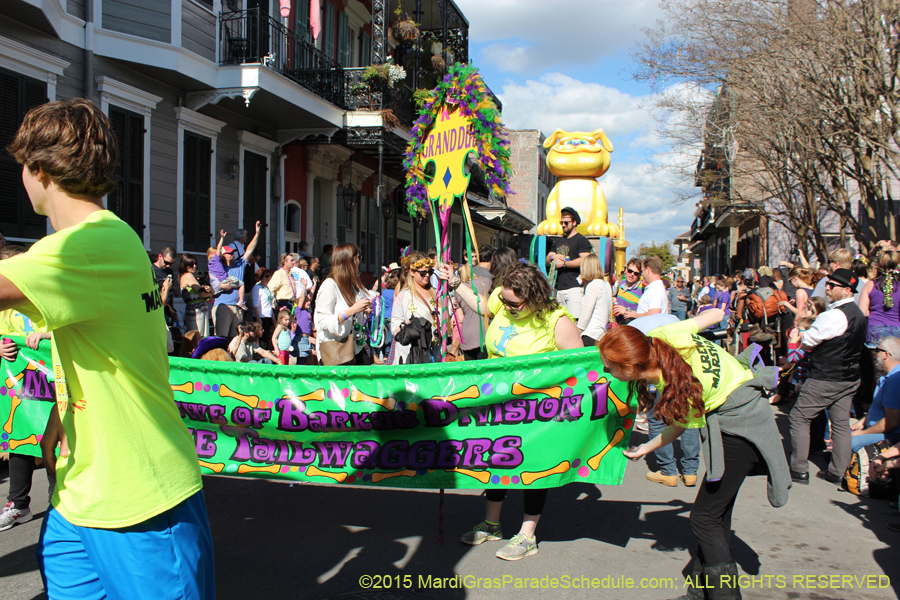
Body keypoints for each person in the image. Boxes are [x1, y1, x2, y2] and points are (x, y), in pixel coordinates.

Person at [2, 98, 213, 597]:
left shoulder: (86, 246)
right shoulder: (110, 240)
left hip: (141, 497)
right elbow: (106, 352)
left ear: (39, 169)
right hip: (82, 496)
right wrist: (60, 421)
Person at [603, 308, 790, 600]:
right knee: (717, 514)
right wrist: (645, 448)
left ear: (630, 369)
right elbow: (716, 312)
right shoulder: (663, 337)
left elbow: (678, 427)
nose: (607, 372)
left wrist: (647, 447)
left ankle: (726, 596)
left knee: (704, 518)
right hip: (743, 409)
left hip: (743, 428)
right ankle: (700, 593)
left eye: (611, 368)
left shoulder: (683, 387)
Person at [443, 261, 583, 560]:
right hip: (497, 405)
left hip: (536, 411)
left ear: (533, 298)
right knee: (497, 460)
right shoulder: (504, 301)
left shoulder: (557, 321)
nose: (506, 306)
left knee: (533, 468)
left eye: (514, 303)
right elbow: (484, 306)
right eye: (504, 300)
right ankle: (492, 524)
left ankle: (527, 534)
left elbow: (579, 368)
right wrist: (456, 283)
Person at [789, 268, 867, 486]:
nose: (827, 287)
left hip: (826, 376)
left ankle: (798, 469)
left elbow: (809, 341)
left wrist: (799, 337)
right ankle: (837, 472)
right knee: (840, 423)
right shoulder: (858, 314)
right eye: (828, 283)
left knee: (799, 417)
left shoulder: (833, 315)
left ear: (847, 290)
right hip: (849, 376)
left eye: (833, 285)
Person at [314, 243, 372, 366]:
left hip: (356, 348)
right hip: (336, 352)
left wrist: (365, 310)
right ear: (349, 261)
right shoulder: (329, 285)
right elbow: (323, 322)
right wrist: (352, 310)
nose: (359, 261)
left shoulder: (352, 286)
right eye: (358, 257)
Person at [850, 336, 900, 452]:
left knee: (849, 443)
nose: (875, 354)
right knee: (842, 437)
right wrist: (862, 421)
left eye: (878, 350)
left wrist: (863, 433)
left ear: (886, 355)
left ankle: (839, 468)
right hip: (877, 429)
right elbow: (881, 408)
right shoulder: (888, 377)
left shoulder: (895, 381)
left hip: (892, 434)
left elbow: (891, 422)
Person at [212, 222, 260, 339]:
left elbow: (249, 249)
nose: (232, 254)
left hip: (237, 307)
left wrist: (257, 233)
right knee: (222, 337)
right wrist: (221, 239)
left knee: (236, 338)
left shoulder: (239, 264)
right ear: (223, 255)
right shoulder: (218, 268)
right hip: (223, 306)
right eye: (229, 253)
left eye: (233, 252)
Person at [391, 252, 439, 365]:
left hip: (434, 353)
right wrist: (412, 332)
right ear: (412, 272)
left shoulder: (436, 294)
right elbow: (394, 325)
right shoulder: (404, 296)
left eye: (430, 272)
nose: (427, 275)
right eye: (423, 273)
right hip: (411, 354)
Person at [545, 207, 593, 319]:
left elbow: (585, 260)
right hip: (558, 288)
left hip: (574, 287)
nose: (563, 225)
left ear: (574, 222)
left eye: (566, 222)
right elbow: (547, 259)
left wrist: (565, 264)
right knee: (560, 320)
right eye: (561, 223)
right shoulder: (558, 241)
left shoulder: (581, 240)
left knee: (574, 320)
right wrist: (553, 256)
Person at [458, 246, 493, 360]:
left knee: (471, 373)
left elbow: (460, 318)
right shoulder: (486, 283)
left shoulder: (458, 291)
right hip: (483, 334)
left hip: (467, 336)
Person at [615, 256, 669, 321]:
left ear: (648, 270)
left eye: (642, 271)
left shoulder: (655, 290)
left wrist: (634, 315)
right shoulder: (656, 287)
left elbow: (654, 313)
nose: (642, 274)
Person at [576, 254, 611, 346]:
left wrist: (578, 330)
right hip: (600, 333)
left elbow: (586, 313)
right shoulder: (606, 284)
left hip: (589, 333)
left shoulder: (593, 286)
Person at [209, 229, 247, 311]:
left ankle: (240, 301)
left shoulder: (214, 263)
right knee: (241, 283)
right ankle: (241, 301)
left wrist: (222, 238)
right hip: (223, 281)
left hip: (222, 281)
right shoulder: (216, 261)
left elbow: (218, 248)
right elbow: (219, 249)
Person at [179, 254, 213, 337]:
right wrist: (211, 292)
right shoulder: (188, 275)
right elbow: (201, 293)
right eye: (191, 264)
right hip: (196, 312)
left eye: (195, 264)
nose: (194, 266)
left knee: (198, 337)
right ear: (185, 265)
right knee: (198, 338)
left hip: (198, 310)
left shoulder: (183, 276)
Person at [613, 258, 644, 324]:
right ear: (626, 270)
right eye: (630, 271)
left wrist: (625, 311)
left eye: (636, 273)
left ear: (639, 275)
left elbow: (645, 313)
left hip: (631, 327)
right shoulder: (621, 283)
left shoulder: (642, 289)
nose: (632, 274)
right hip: (618, 325)